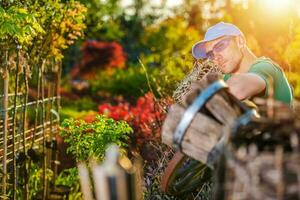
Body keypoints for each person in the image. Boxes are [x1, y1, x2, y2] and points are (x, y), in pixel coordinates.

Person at [192, 22, 293, 105]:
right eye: (210, 54)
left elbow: (237, 89)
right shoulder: (227, 78)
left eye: (219, 46)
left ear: (240, 41)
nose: (215, 57)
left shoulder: (266, 67)